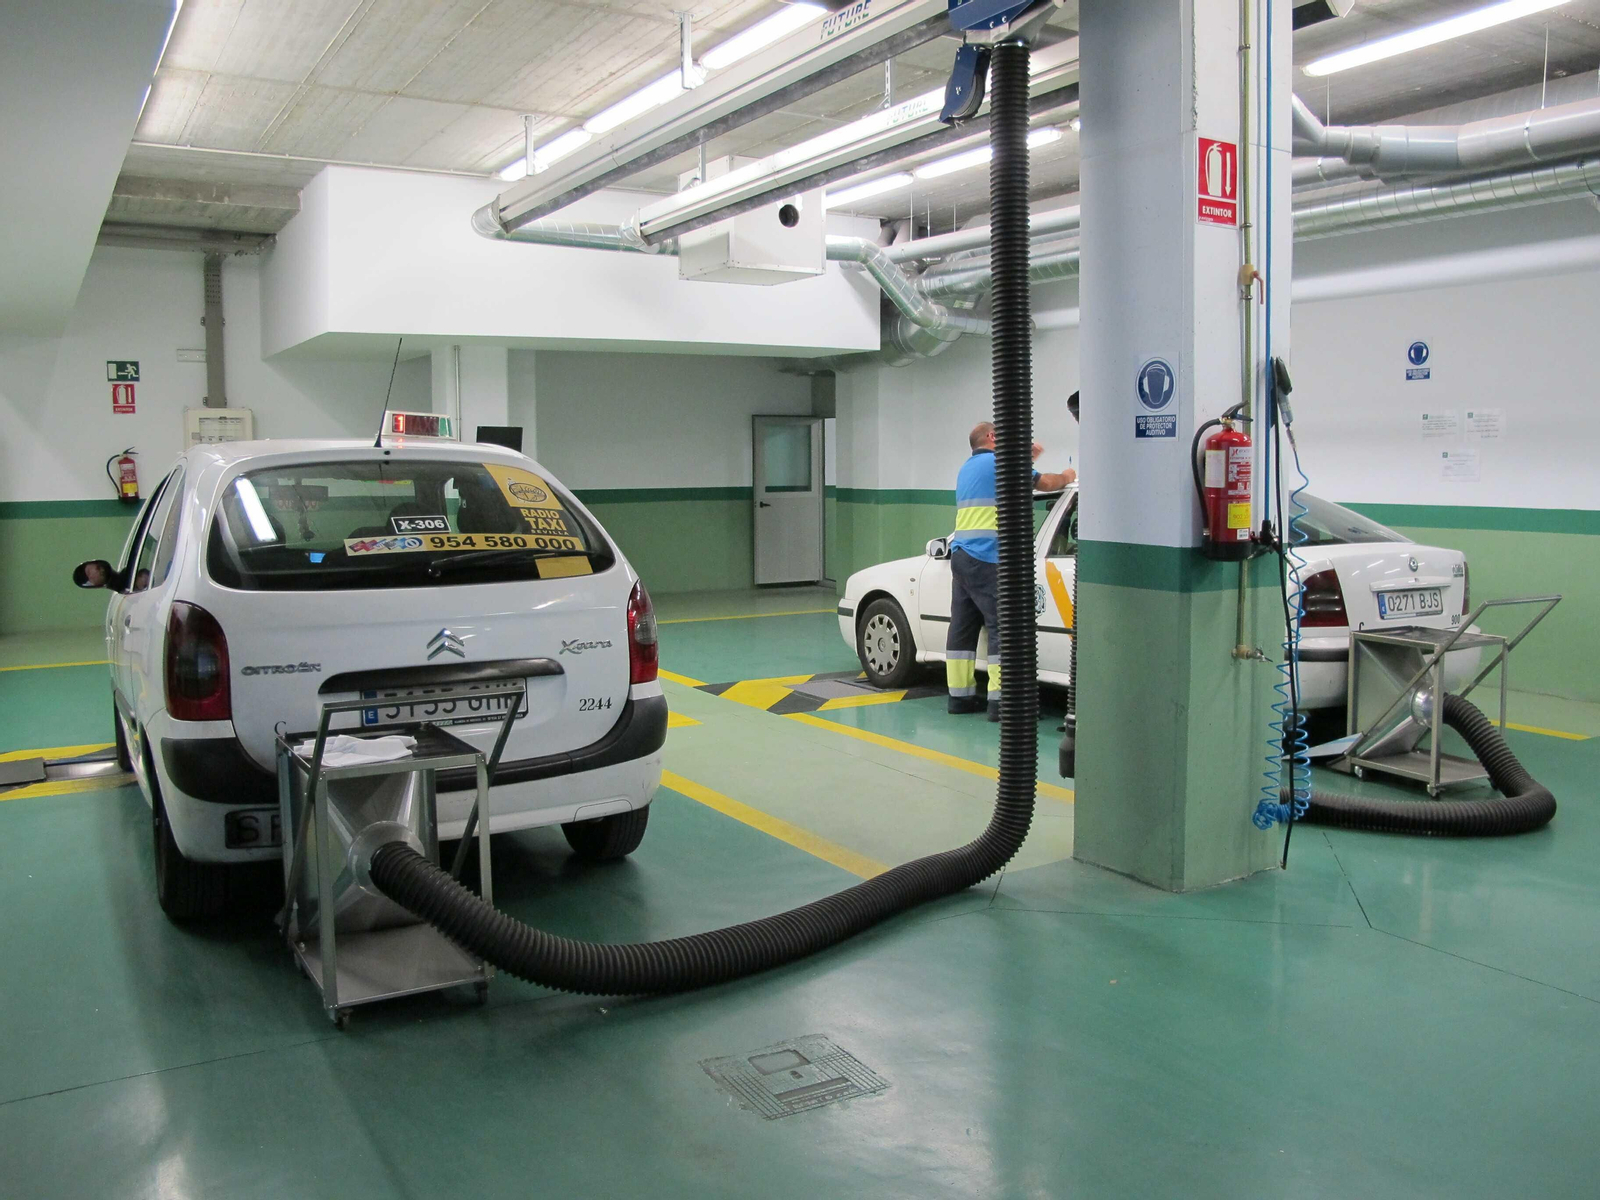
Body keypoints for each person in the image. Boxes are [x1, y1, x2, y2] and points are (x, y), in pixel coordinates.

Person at [947, 421, 1077, 720]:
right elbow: (1045, 483)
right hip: (988, 557)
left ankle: (960, 698)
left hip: (963, 556)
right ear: (992, 437)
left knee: (962, 630)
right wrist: (1068, 475)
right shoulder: (998, 462)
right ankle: (1002, 702)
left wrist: (1025, 458)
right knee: (1003, 628)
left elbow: (1004, 479)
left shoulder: (968, 468)